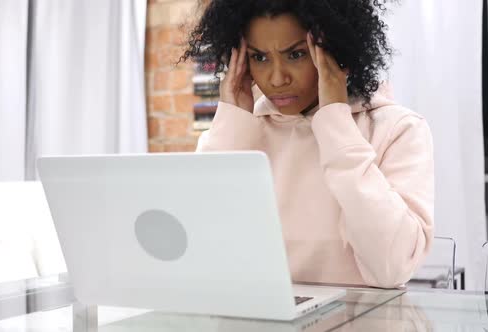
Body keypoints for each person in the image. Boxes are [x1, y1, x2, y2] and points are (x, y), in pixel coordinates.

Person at [180, 0, 434, 288]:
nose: (277, 79)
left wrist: (335, 125)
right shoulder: (240, 131)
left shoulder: (397, 129)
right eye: (260, 58)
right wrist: (231, 125)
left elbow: (393, 268)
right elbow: (195, 251)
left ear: (336, 51)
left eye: (296, 54)